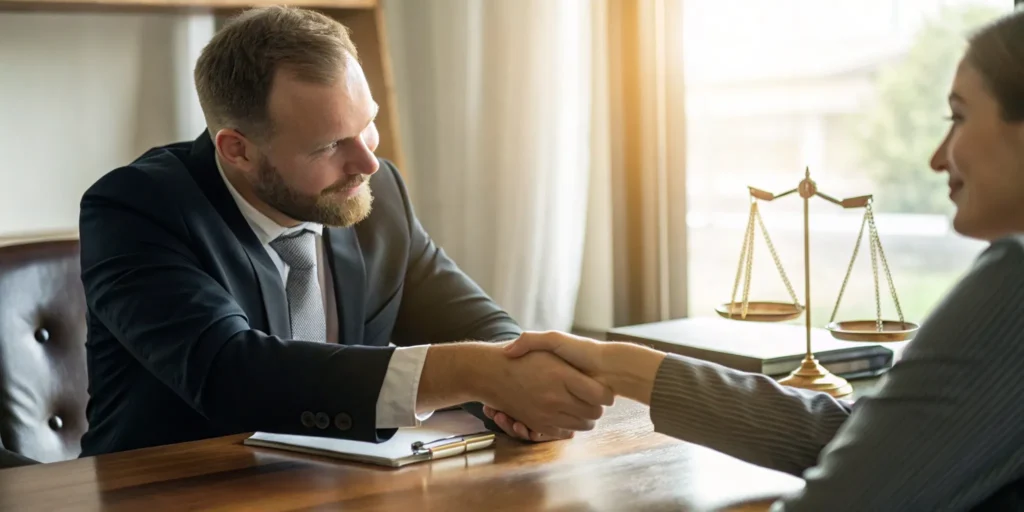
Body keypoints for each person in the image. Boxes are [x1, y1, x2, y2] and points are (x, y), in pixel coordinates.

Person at [496, 8, 1024, 511]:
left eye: (959, 116)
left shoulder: (1013, 280)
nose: (937, 156)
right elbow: (862, 441)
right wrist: (621, 367)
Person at [76, 6, 610, 457]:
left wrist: (518, 384)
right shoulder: (135, 209)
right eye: (330, 144)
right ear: (236, 149)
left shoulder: (371, 192)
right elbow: (230, 373)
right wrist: (474, 371)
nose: (368, 162)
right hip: (172, 491)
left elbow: (464, 315)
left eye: (367, 123)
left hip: (343, 486)